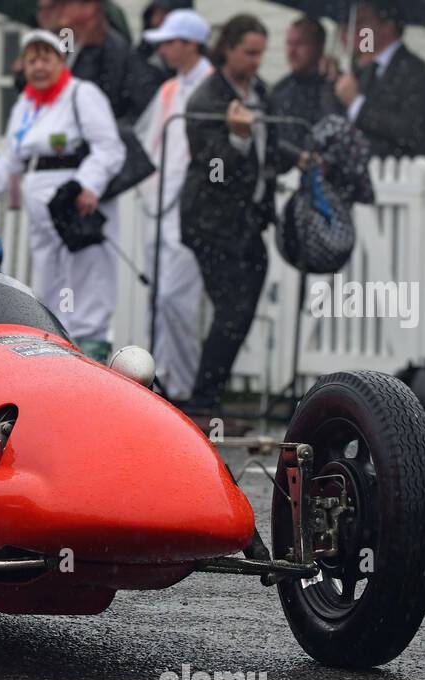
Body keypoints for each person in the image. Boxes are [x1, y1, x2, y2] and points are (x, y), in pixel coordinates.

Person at [0, 30, 125, 361]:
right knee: (48, 278)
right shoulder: (26, 105)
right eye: (32, 60)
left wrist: (89, 185)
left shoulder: (82, 94)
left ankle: (90, 351)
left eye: (46, 58)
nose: (39, 67)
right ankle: (56, 349)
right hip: (41, 206)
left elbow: (109, 148)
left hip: (75, 203)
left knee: (87, 279)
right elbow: (9, 162)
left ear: (61, 61)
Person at [180, 15, 302, 414]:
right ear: (227, 49)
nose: (256, 61)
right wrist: (237, 136)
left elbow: (269, 150)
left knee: (242, 311)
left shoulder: (260, 92)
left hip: (249, 223)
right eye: (249, 52)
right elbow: (214, 167)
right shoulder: (207, 99)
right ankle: (204, 403)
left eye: (261, 53)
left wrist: (298, 158)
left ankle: (210, 398)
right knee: (232, 310)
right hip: (212, 224)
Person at [134, 8, 212, 401]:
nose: (163, 49)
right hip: (161, 209)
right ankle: (163, 379)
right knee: (159, 299)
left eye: (169, 41)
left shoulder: (213, 86)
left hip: (191, 211)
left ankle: (181, 385)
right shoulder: (169, 89)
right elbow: (153, 147)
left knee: (176, 299)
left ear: (190, 43)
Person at [334, 1, 425, 159]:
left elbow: (410, 130)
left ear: (387, 27)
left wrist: (357, 103)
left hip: (394, 169)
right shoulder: (361, 69)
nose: (354, 29)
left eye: (362, 22)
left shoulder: (414, 70)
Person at [56, 0, 160, 126]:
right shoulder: (68, 38)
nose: (60, 9)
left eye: (66, 4)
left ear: (90, 8)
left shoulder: (116, 51)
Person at [270, 17, 340, 158]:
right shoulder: (280, 89)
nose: (292, 51)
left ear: (318, 46)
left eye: (300, 44)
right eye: (289, 44)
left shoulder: (336, 86)